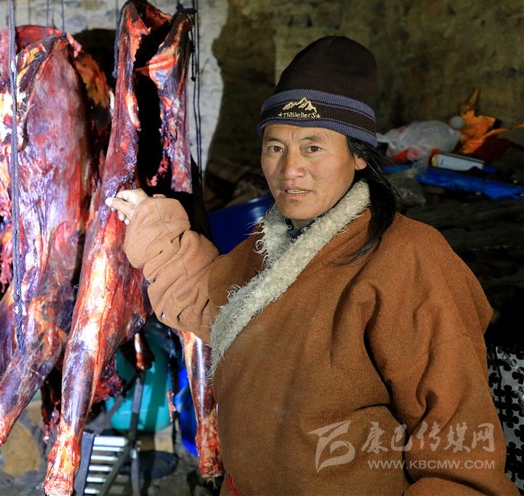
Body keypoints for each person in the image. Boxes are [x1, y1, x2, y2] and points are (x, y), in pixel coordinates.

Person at [107, 36, 516, 495]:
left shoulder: (411, 259)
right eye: (275, 147)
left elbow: (459, 451)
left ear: (358, 155)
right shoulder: (269, 243)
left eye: (313, 147)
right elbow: (218, 309)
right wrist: (157, 230)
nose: (290, 169)